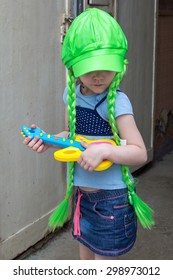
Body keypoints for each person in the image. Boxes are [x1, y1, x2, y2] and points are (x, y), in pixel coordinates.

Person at [23, 8, 154, 260]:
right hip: (82, 196)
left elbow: (138, 153)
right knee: (86, 263)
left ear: (119, 64)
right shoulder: (71, 95)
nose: (98, 75)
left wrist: (105, 150)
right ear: (73, 67)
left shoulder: (118, 103)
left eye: (106, 66)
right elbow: (71, 136)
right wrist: (48, 139)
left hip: (111, 203)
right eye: (90, 67)